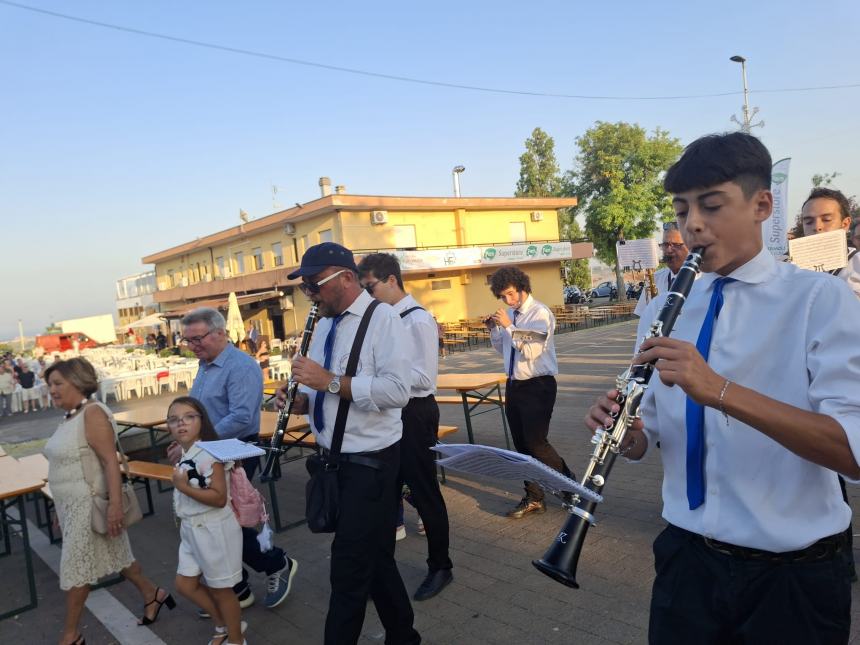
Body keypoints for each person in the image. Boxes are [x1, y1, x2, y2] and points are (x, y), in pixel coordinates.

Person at [586, 132, 860, 644]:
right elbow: (660, 430)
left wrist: (718, 389)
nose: (692, 225)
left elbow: (852, 451)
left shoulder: (820, 300)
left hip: (791, 577)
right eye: (682, 209)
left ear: (762, 205)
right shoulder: (666, 306)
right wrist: (633, 435)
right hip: (687, 560)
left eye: (711, 206)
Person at [278, 242, 420, 645]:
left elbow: (398, 391)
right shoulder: (324, 324)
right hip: (333, 461)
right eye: (304, 287)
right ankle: (404, 636)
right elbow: (329, 391)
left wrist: (328, 382)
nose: (309, 294)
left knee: (348, 570)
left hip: (371, 464)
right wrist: (305, 398)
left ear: (345, 277)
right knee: (375, 560)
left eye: (313, 285)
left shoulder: (385, 320)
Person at [172, 307, 297, 612]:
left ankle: (276, 563)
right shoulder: (206, 363)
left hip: (235, 452)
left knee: (226, 522)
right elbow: (200, 411)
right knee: (221, 522)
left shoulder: (241, 367)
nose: (193, 346)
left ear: (220, 333)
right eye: (188, 341)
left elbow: (241, 418)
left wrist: (197, 441)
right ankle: (236, 587)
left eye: (197, 338)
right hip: (208, 452)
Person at [43, 358, 174, 645]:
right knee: (118, 557)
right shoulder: (70, 416)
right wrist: (58, 505)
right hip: (72, 506)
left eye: (57, 384)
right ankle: (153, 593)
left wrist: (115, 505)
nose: (51, 389)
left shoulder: (92, 414)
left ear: (77, 382)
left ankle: (70, 635)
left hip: (89, 506)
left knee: (77, 568)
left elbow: (110, 463)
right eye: (49, 384)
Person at [357, 252, 454, 601]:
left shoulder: (416, 320)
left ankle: (440, 566)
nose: (368, 296)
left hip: (414, 413)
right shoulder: (383, 319)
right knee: (385, 494)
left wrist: (377, 379)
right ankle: (381, 572)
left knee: (425, 490)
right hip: (389, 413)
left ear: (392, 280)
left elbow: (425, 377)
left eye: (370, 287)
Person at [486, 267, 573, 518]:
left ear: (522, 287)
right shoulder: (511, 316)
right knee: (521, 445)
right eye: (502, 297)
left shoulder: (540, 313)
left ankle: (571, 487)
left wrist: (509, 326)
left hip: (538, 385)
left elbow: (532, 350)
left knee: (537, 443)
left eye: (511, 294)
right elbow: (504, 349)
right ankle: (534, 496)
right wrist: (494, 329)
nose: (508, 301)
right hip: (514, 384)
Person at [168, 396, 246, 645]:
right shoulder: (185, 451)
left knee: (222, 590)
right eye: (174, 420)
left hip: (214, 529)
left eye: (189, 417)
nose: (181, 424)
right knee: (185, 584)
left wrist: (183, 487)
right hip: (192, 529)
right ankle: (223, 625)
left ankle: (236, 639)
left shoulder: (211, 453)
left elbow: (219, 498)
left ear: (202, 420)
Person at [799, 186, 860, 298]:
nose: (817, 227)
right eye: (808, 222)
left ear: (845, 224)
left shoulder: (857, 263)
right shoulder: (787, 267)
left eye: (826, 220)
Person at [634, 222, 691, 317]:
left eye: (676, 245)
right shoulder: (655, 278)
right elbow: (642, 316)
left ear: (690, 247)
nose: (669, 250)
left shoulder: (705, 279)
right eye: (665, 244)